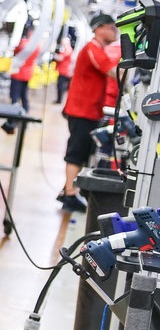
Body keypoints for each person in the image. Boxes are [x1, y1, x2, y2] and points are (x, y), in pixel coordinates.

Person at [58, 13, 120, 213]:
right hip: (81, 110)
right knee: (77, 151)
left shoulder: (98, 49)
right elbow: (113, 72)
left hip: (89, 111)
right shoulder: (93, 48)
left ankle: (69, 188)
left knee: (83, 151)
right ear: (99, 28)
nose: (115, 32)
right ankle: (69, 195)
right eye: (112, 28)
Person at [54, 38, 74, 104]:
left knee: (61, 86)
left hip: (65, 71)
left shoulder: (68, 50)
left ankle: (59, 100)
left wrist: (54, 55)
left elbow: (60, 58)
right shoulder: (66, 49)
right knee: (61, 86)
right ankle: (59, 99)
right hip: (63, 70)